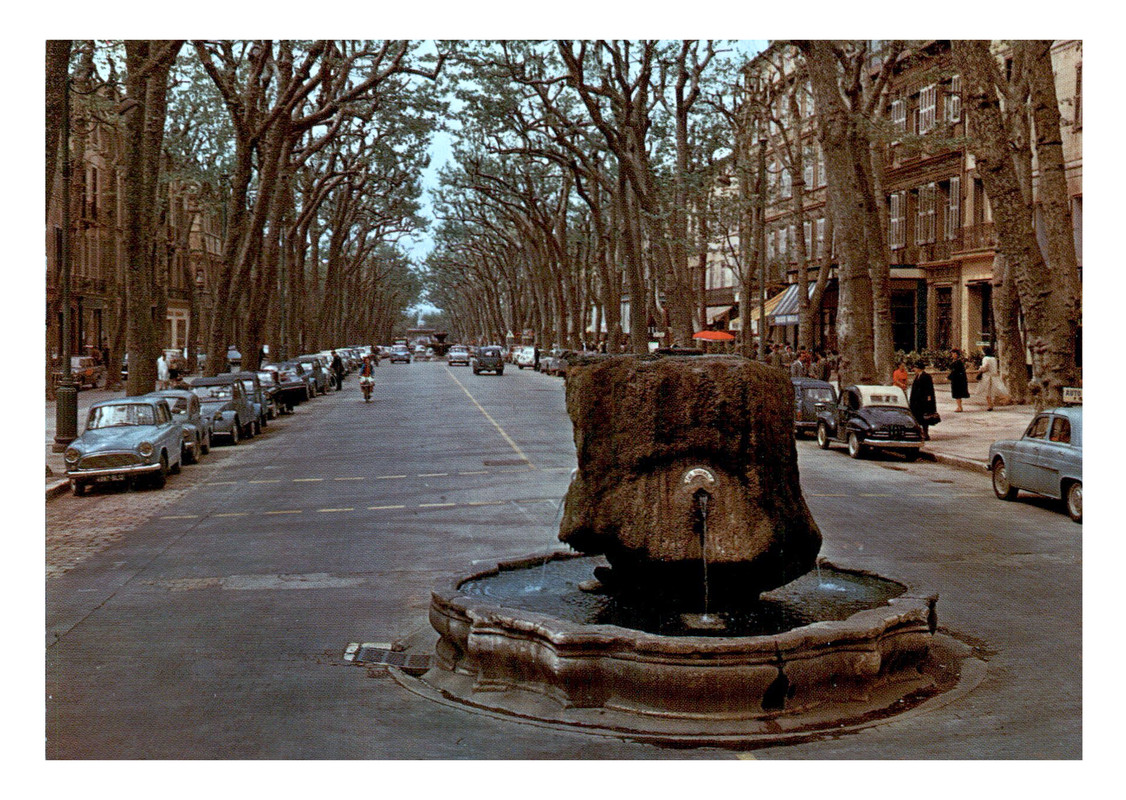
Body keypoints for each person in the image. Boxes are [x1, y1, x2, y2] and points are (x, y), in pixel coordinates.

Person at [909, 361, 936, 440]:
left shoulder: (926, 376)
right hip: (917, 401)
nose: (914, 369)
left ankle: (925, 433)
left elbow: (929, 389)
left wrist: (929, 399)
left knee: (925, 417)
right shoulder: (917, 376)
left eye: (915, 368)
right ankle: (920, 432)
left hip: (923, 401)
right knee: (918, 416)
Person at [976, 346, 1000, 411]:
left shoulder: (986, 358)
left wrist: (980, 369)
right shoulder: (994, 359)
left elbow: (985, 367)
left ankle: (989, 405)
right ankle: (991, 404)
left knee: (987, 391)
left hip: (987, 376)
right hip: (994, 376)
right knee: (992, 391)